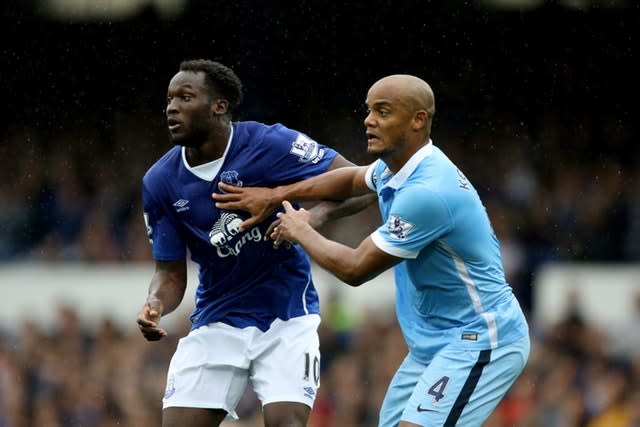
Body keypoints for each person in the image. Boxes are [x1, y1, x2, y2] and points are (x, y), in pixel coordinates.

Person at [213, 74, 531, 426]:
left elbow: (355, 268)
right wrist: (277, 196)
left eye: (382, 111)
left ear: (418, 120)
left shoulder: (427, 193)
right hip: (433, 344)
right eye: (368, 111)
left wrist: (301, 229)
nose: (368, 120)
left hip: (481, 339)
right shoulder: (395, 168)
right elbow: (350, 179)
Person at [136, 59, 374, 427]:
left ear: (219, 106)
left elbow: (361, 182)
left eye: (185, 97)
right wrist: (155, 303)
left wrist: (309, 218)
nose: (172, 107)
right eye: (169, 99)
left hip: (287, 314)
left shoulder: (270, 143)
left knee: (287, 422)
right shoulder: (160, 181)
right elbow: (169, 272)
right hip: (218, 317)